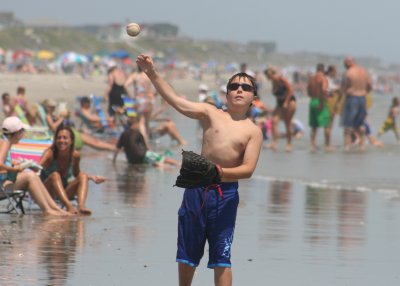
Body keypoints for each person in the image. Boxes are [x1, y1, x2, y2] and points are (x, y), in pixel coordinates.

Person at [136, 54, 262, 286]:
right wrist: (152, 73)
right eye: (234, 86)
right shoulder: (211, 113)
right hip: (197, 190)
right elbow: (175, 100)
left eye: (246, 87)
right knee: (187, 253)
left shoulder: (252, 131)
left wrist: (219, 172)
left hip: (226, 196)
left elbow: (248, 169)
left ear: (254, 97)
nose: (239, 90)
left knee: (222, 255)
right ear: (227, 93)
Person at [0, 116, 69, 216]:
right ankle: (48, 210)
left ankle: (55, 208)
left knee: (32, 175)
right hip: (2, 187)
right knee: (30, 176)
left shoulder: (5, 142)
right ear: (18, 132)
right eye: (22, 132)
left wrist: (17, 165)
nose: (23, 135)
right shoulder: (5, 143)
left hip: (3, 183)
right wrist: (16, 169)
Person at [39, 125, 106, 215]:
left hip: (64, 192)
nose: (61, 140)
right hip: (47, 192)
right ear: (55, 140)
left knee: (83, 175)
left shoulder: (75, 155)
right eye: (59, 138)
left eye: (65, 138)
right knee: (55, 175)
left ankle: (81, 206)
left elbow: (77, 174)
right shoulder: (49, 153)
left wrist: (92, 177)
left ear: (71, 141)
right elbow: (37, 168)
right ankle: (69, 206)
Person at [113, 115, 180, 167]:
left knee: (151, 162)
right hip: (142, 155)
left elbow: (117, 149)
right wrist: (152, 152)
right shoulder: (137, 133)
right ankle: (179, 164)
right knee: (164, 159)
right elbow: (146, 147)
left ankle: (158, 164)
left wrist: (114, 160)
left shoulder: (124, 134)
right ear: (136, 124)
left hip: (132, 160)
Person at [341, 57, 372, 151]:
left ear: (348, 63)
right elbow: (369, 86)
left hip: (351, 98)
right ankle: (362, 147)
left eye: (345, 63)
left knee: (348, 125)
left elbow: (343, 88)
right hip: (362, 98)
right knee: (360, 124)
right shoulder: (364, 72)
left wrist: (338, 100)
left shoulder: (348, 72)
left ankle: (347, 147)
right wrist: (363, 92)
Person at [264, 66, 297, 152]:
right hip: (279, 103)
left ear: (271, 74)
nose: (267, 78)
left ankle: (289, 144)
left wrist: (286, 102)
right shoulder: (273, 82)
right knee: (274, 121)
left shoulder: (281, 79)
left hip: (289, 102)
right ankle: (274, 142)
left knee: (287, 123)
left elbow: (290, 90)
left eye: (268, 76)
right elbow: (277, 94)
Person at [307, 63, 332, 151]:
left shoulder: (312, 78)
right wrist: (322, 101)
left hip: (313, 101)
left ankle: (312, 145)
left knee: (314, 126)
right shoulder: (323, 78)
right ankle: (327, 145)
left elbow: (308, 92)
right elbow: (324, 89)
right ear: (323, 70)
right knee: (327, 125)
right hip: (320, 101)